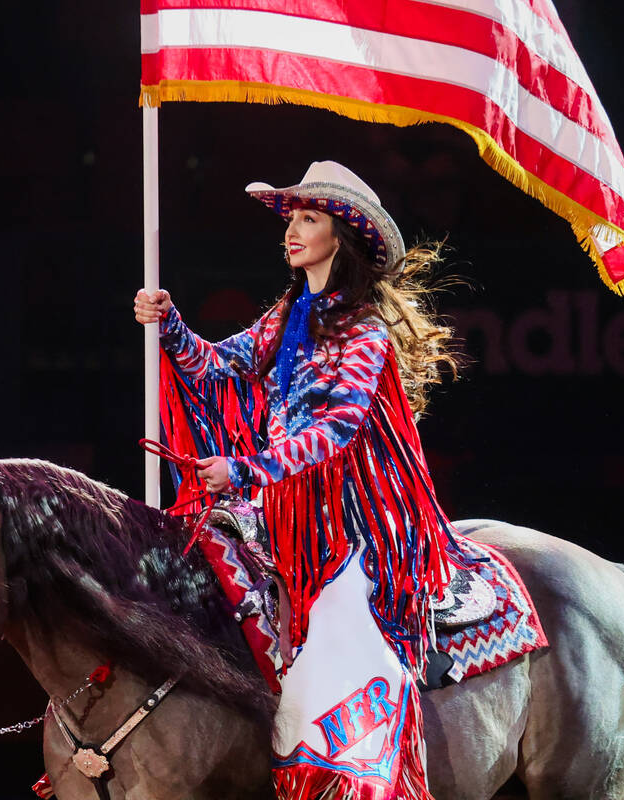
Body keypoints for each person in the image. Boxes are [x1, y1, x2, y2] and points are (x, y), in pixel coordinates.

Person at [134, 161, 464, 800]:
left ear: (340, 237)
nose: (292, 229)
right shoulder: (289, 314)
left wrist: (246, 468)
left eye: (308, 218)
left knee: (343, 629)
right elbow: (216, 367)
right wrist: (168, 319)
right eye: (291, 218)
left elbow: (338, 430)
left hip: (350, 519)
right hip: (281, 507)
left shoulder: (365, 331)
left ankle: (366, 768)